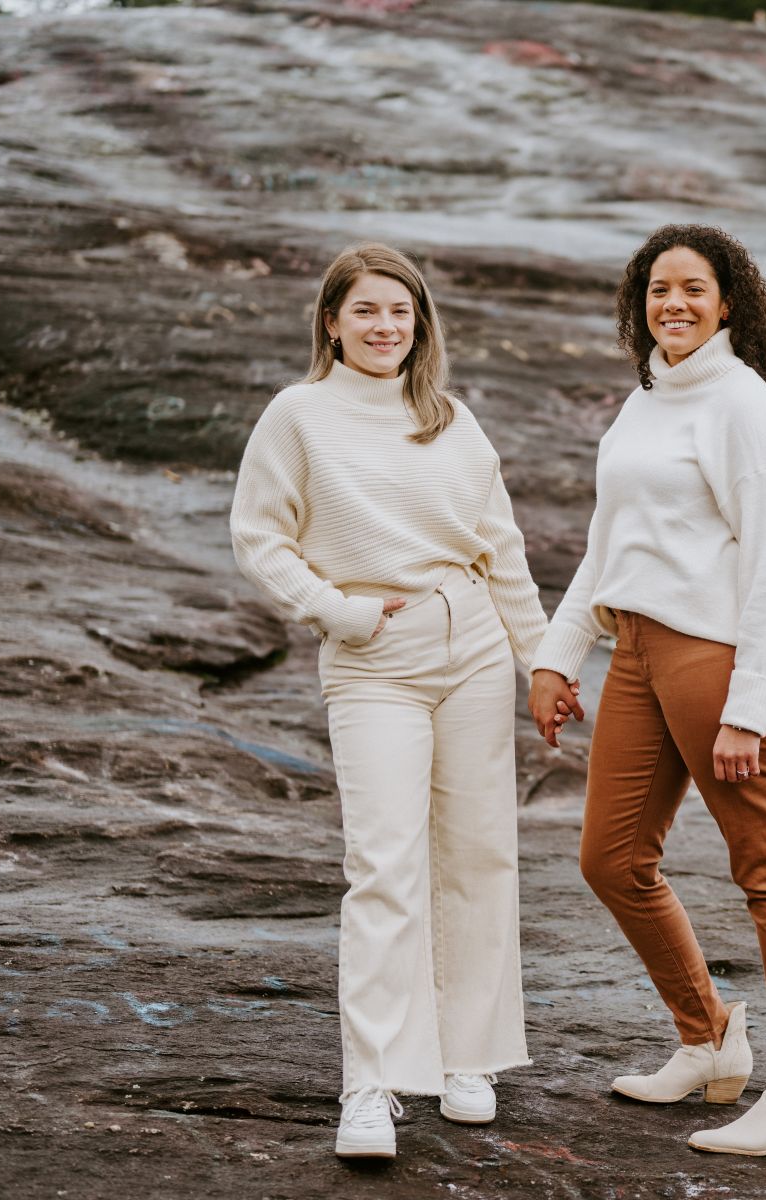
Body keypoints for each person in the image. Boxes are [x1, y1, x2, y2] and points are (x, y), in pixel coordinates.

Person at [229, 243, 555, 1160]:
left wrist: (542, 664)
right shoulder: (298, 415)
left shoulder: (451, 419)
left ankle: (468, 1059)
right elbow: (260, 535)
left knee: (480, 853)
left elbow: (503, 552)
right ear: (331, 321)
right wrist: (341, 613)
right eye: (365, 311)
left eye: (400, 313)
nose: (384, 328)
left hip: (475, 650)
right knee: (382, 863)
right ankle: (371, 1085)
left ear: (421, 326)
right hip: (373, 658)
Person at [528, 224, 766, 1156]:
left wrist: (747, 704)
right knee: (611, 858)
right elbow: (607, 544)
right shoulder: (646, 400)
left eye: (694, 289)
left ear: (728, 301)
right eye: (659, 289)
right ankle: (707, 1039)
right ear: (641, 301)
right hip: (637, 655)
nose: (674, 304)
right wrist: (556, 652)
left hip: (721, 661)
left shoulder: (745, 407)